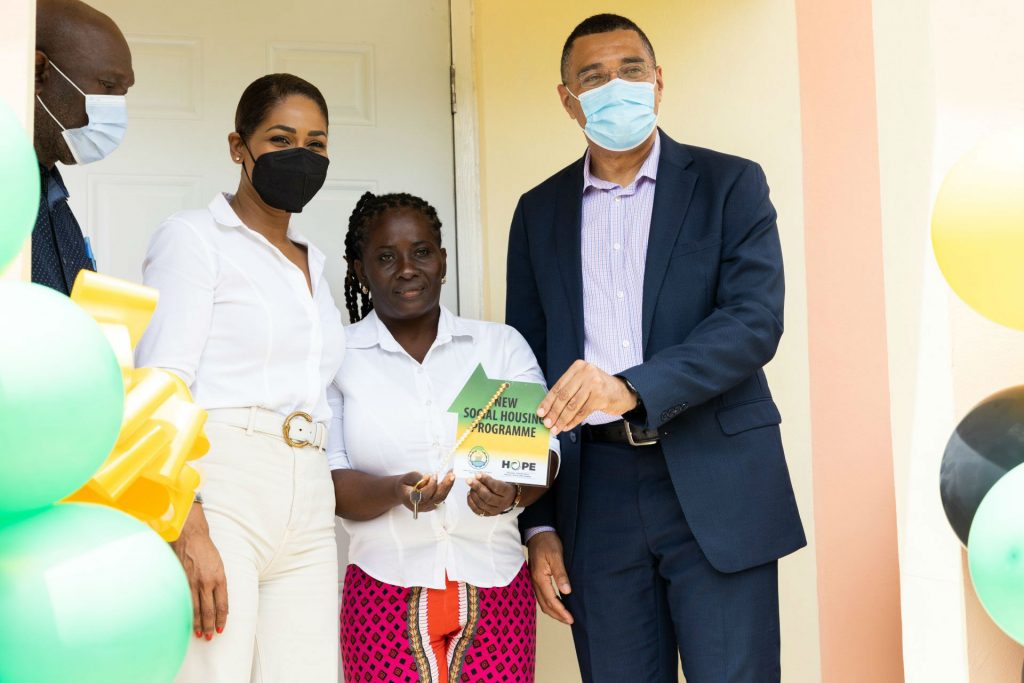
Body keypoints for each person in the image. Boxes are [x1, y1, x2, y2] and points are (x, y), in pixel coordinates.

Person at [506, 14, 807, 683]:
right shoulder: (538, 212)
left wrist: (633, 387)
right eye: (594, 77)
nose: (616, 86)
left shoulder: (731, 185)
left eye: (631, 70)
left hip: (717, 476)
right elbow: (526, 364)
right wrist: (539, 523)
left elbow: (754, 321)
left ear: (658, 82)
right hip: (594, 494)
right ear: (568, 100)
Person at [135, 73, 344, 683]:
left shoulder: (314, 262)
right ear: (238, 146)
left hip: (309, 493)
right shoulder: (194, 239)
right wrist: (186, 517)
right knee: (211, 668)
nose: (300, 155)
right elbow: (162, 382)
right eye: (280, 139)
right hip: (222, 483)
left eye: (316, 143)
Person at [329, 191, 558, 683]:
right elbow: (330, 479)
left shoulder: (497, 347)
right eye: (385, 257)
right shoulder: (337, 357)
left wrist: (512, 494)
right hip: (382, 593)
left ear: (444, 260)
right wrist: (397, 491)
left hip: (496, 587)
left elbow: (543, 455)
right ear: (360, 270)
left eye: (422, 251)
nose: (407, 269)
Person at [31, 0, 134, 295]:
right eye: (107, 85)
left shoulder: (54, 198)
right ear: (39, 72)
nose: (115, 107)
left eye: (123, 92)